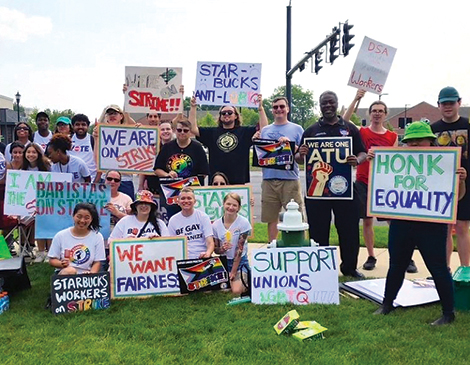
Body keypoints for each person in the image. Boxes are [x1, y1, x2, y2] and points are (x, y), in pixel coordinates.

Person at [374, 121, 466, 325]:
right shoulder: (397, 162)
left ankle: (448, 313)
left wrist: (460, 180)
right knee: (396, 265)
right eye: (410, 141)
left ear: (431, 142)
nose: (415, 144)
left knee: (438, 267)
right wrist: (375, 163)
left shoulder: (445, 162)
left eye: (419, 140)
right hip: (402, 221)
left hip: (432, 223)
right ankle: (387, 304)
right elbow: (384, 182)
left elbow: (457, 198)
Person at [296, 91, 366, 278]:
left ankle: (349, 267)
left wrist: (357, 160)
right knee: (318, 231)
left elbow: (363, 152)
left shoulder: (350, 128)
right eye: (324, 103)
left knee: (349, 230)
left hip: (344, 191)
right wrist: (300, 154)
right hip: (317, 192)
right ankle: (321, 268)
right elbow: (298, 158)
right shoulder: (310, 130)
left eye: (331, 102)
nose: (328, 106)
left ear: (336, 104)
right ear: (320, 106)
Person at [343, 90, 403, 271]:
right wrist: (356, 98)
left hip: (384, 184)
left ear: (385, 114)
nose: (377, 113)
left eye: (380, 110)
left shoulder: (393, 137)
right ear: (369, 114)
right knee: (367, 221)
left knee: (392, 221)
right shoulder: (361, 132)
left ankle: (401, 255)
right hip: (363, 181)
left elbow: (396, 160)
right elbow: (344, 121)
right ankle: (371, 255)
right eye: (374, 110)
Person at [189, 95, 267, 185]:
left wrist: (260, 108)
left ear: (236, 116)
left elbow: (264, 128)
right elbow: (192, 128)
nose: (226, 114)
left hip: (238, 179)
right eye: (223, 113)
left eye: (229, 112)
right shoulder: (211, 132)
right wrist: (193, 107)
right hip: (217, 181)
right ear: (220, 116)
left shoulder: (245, 132)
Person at [432, 87, 470, 268]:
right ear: (438, 105)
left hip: (465, 184)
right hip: (441, 186)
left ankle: (465, 270)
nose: (448, 106)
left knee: (462, 227)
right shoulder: (432, 129)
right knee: (444, 230)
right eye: (444, 103)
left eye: (451, 103)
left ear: (459, 103)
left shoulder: (468, 124)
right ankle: (443, 270)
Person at [258, 96, 304, 242]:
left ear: (288, 109)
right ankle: (273, 247)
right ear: (272, 110)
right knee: (271, 218)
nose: (279, 109)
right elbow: (261, 152)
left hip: (290, 179)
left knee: (297, 216)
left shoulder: (297, 129)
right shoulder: (265, 130)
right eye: (276, 107)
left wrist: (290, 145)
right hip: (269, 179)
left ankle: (298, 246)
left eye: (282, 107)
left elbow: (302, 156)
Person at [48, 202, 105, 275]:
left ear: (91, 219)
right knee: (70, 271)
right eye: (79, 216)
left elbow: (97, 262)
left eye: (87, 218)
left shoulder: (97, 237)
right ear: (73, 216)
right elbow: (52, 260)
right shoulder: (60, 236)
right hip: (65, 274)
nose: (82, 221)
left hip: (86, 275)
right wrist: (61, 264)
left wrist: (91, 274)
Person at [212, 193, 251, 294]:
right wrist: (222, 249)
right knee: (219, 289)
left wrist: (233, 272)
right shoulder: (216, 225)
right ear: (223, 204)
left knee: (236, 291)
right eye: (228, 204)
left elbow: (239, 250)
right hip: (223, 262)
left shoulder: (243, 223)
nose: (231, 207)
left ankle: (246, 276)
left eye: (234, 205)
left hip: (239, 261)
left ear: (239, 208)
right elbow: (216, 249)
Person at [154, 115, 209, 184]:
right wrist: (167, 175)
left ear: (190, 132)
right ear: (175, 131)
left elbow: (204, 173)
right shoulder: (167, 147)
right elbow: (157, 169)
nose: (182, 132)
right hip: (171, 188)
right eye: (179, 130)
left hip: (191, 189)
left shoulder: (197, 148)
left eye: (185, 131)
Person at [95, 104, 135, 199]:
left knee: (127, 210)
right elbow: (96, 159)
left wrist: (126, 94)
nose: (112, 116)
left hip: (125, 180)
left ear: (121, 116)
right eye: (109, 114)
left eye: (115, 113)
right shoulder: (100, 133)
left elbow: (131, 121)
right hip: (106, 179)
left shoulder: (129, 131)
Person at [20, 143, 52, 262]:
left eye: (34, 152)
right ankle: (40, 252)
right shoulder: (23, 168)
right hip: (31, 203)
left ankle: (50, 252)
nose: (31, 155)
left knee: (47, 226)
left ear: (39, 154)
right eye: (28, 152)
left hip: (46, 201)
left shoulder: (47, 166)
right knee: (38, 226)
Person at [168, 187, 214, 259]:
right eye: (183, 198)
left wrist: (207, 254)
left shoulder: (203, 217)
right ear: (178, 202)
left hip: (201, 257)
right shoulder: (173, 220)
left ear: (195, 201)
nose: (186, 201)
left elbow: (210, 242)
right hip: (182, 259)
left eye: (189, 198)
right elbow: (171, 245)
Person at [139, 119, 175, 194]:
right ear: (158, 132)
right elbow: (144, 167)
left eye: (168, 129)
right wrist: (141, 185)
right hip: (153, 185)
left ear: (172, 130)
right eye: (162, 129)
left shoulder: (177, 146)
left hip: (173, 185)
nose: (165, 131)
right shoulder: (151, 147)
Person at [70, 114, 98, 182]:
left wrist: (95, 182)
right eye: (77, 124)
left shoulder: (93, 140)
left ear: (88, 126)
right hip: (71, 182)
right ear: (73, 126)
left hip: (91, 180)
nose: (80, 127)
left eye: (83, 124)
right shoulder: (68, 140)